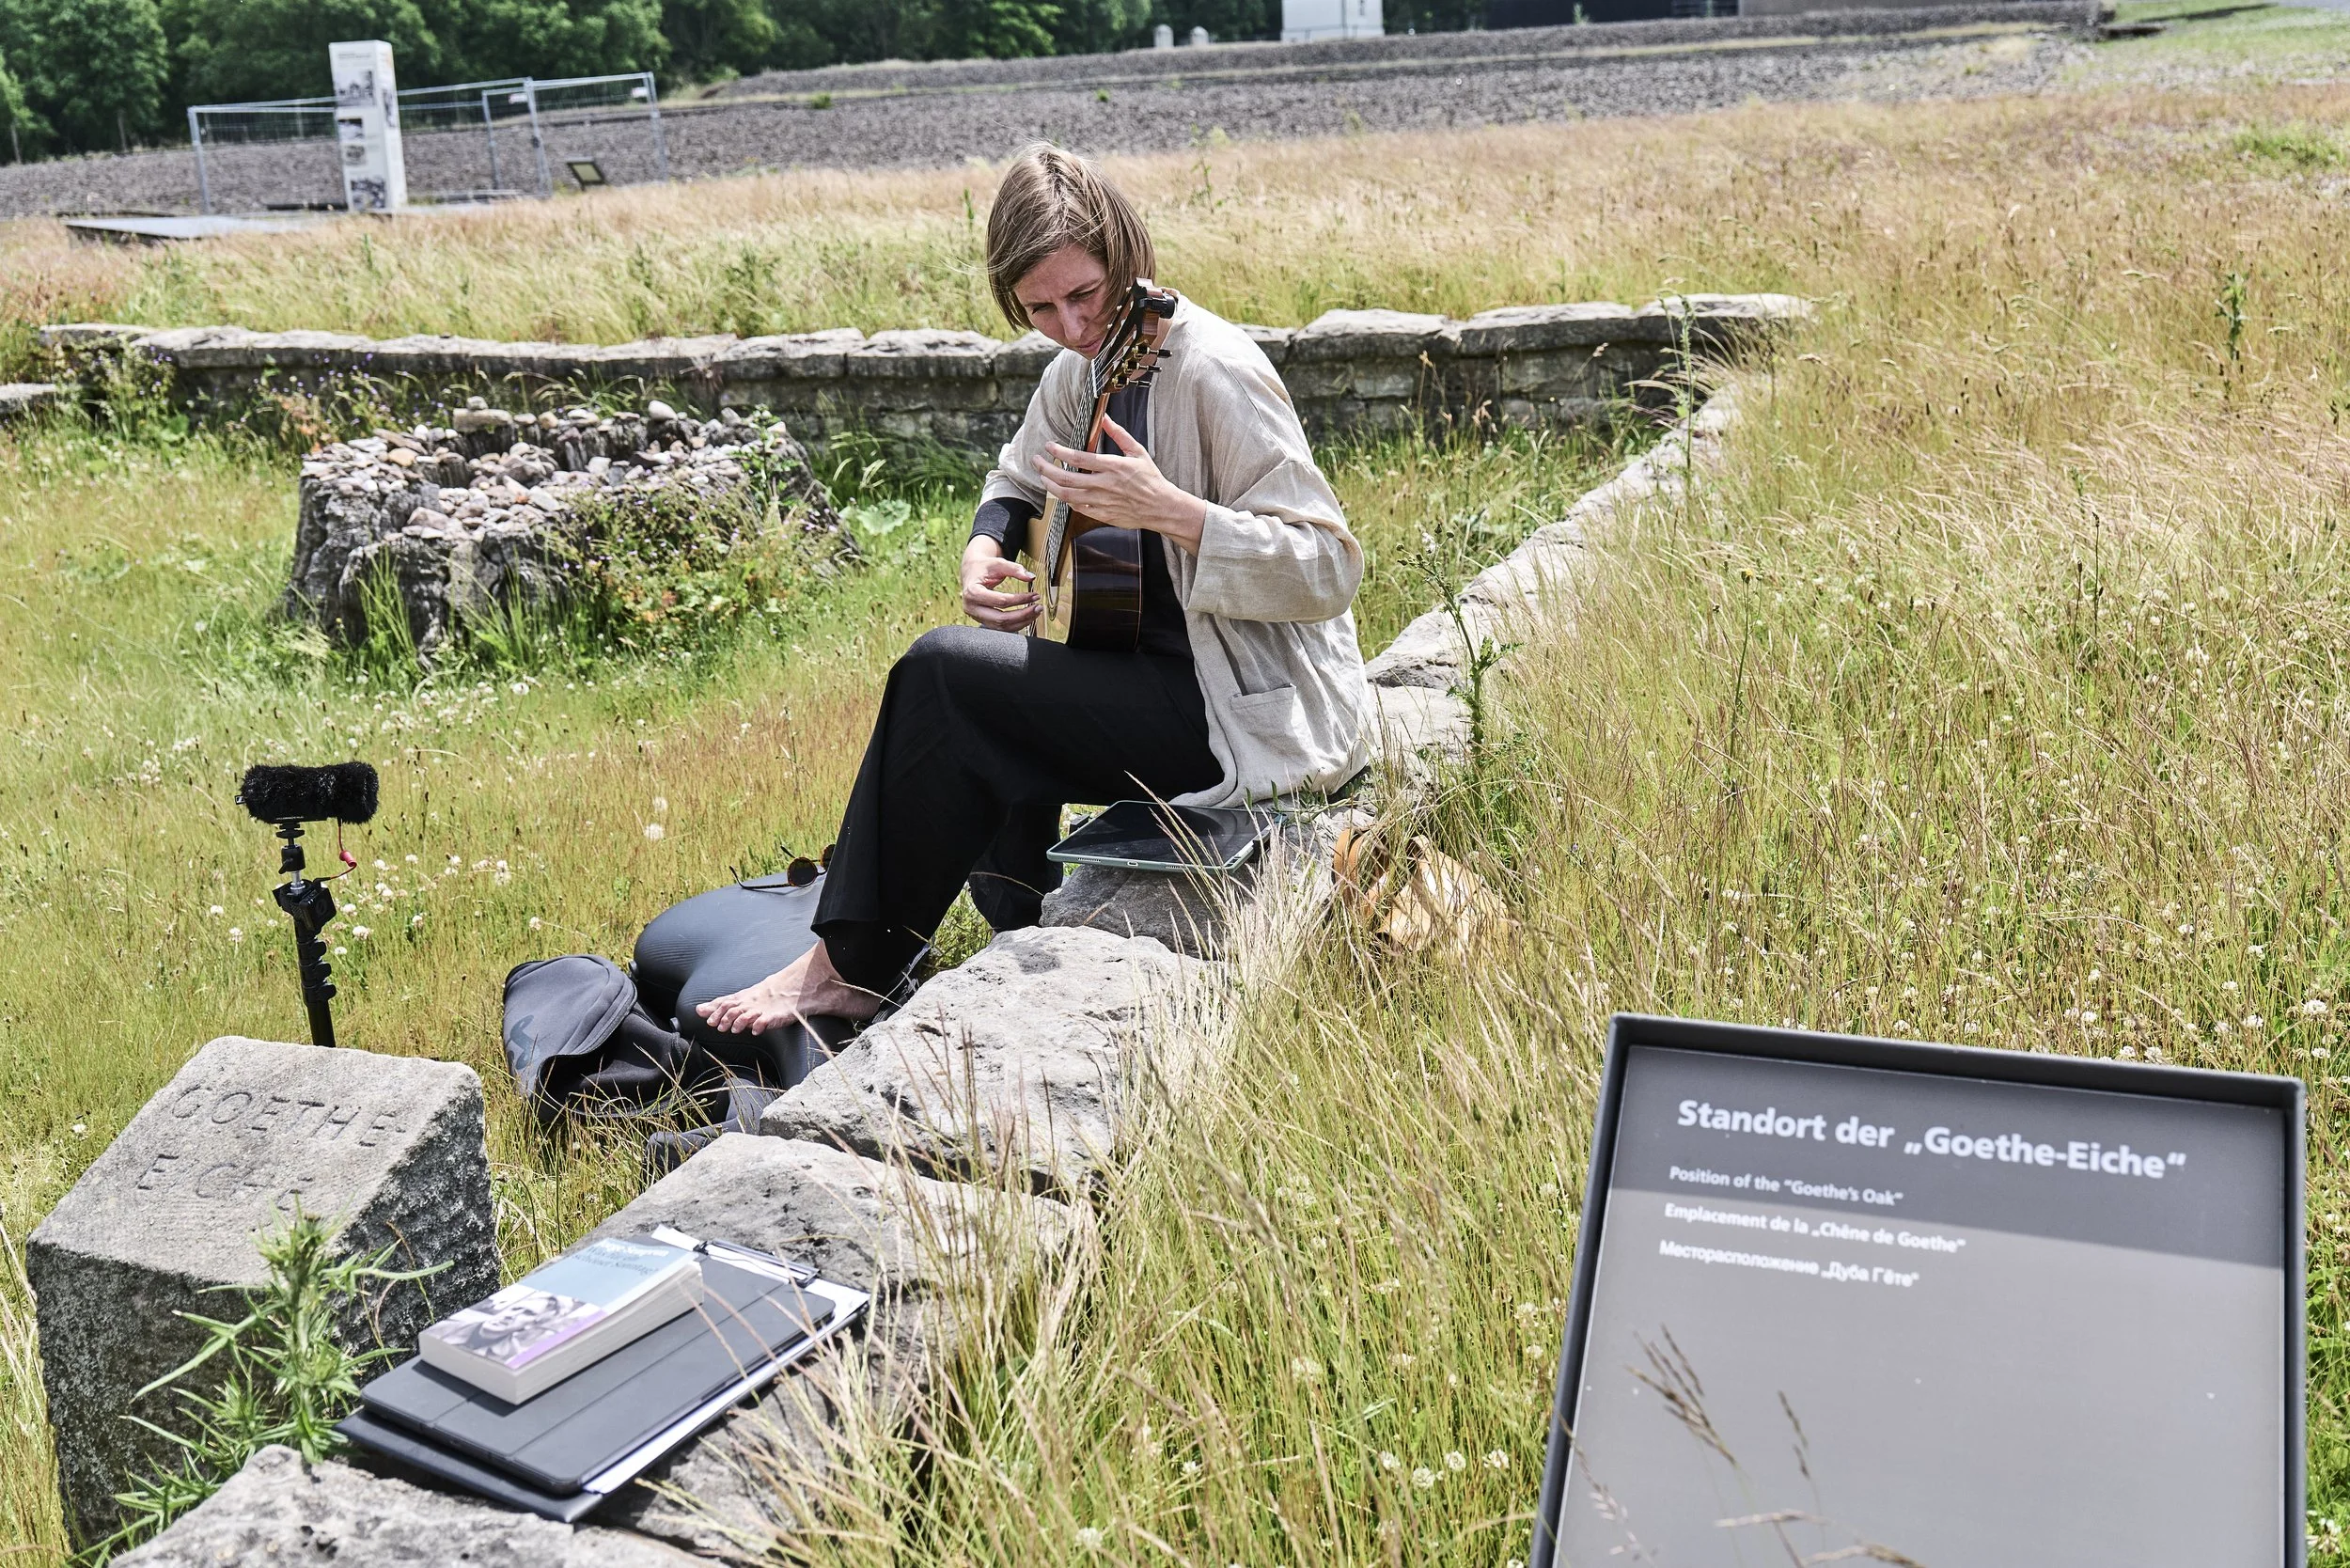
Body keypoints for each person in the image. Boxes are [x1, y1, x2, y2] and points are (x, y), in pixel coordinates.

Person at [698, 144, 1369, 1035]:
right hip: (1148, 686)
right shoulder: (1081, 372)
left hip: (1241, 714)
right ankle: (1022, 938)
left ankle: (847, 969)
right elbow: (1013, 478)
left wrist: (1176, 512)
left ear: (1125, 255)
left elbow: (1329, 566)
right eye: (1039, 307)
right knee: (979, 704)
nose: (1069, 325)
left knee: (945, 675)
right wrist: (985, 549)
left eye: (1083, 295)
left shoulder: (1215, 371)